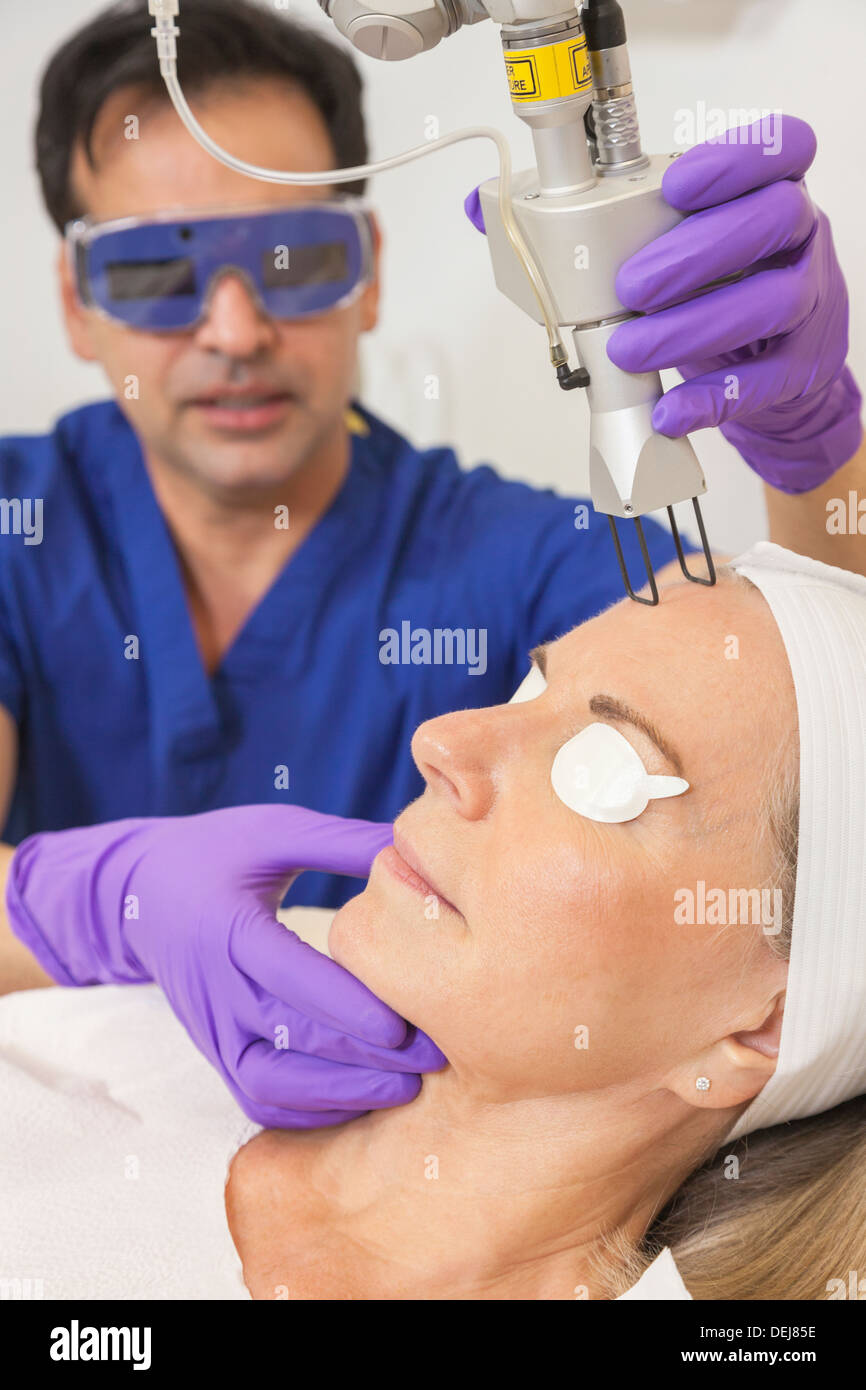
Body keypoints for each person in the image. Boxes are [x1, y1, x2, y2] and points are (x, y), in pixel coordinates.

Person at [1, 0, 863, 1122]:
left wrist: (821, 456)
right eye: (156, 274)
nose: (233, 328)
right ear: (75, 302)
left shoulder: (504, 560)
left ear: (365, 271)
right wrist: (102, 902)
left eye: (291, 257)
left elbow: (820, 739)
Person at [2, 542, 864, 1300]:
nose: (444, 742)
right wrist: (82, 897)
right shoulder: (234, 980)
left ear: (765, 1025)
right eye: (534, 685)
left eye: (603, 768)